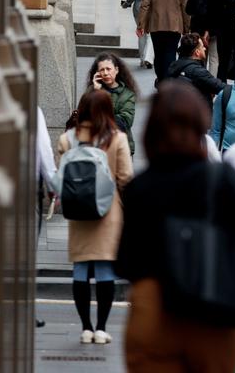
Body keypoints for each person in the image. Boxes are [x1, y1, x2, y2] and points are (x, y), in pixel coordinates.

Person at [116, 81, 235, 372]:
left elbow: (126, 263)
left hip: (154, 308)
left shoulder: (140, 188)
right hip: (215, 305)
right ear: (200, 125)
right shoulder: (223, 180)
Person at [58, 90, 134, 345]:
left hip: (78, 212)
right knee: (104, 268)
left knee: (80, 269)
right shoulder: (117, 139)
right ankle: (101, 328)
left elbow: (63, 176)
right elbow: (125, 179)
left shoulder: (68, 139)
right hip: (108, 212)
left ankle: (85, 327)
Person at [137, 0, 190, 83]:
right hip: (175, 25)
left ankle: (161, 78)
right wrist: (187, 27)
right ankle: (167, 80)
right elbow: (185, 7)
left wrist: (141, 25)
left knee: (158, 53)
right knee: (171, 53)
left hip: (156, 24)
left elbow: (144, 5)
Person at [86, 52, 138, 154]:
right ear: (97, 73)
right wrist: (96, 92)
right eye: (102, 70)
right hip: (95, 145)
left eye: (108, 69)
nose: (105, 73)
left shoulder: (127, 94)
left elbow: (125, 121)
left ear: (116, 70)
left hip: (120, 146)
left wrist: (102, 97)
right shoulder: (93, 90)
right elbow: (85, 115)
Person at [168, 32, 225, 109]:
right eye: (202, 47)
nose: (205, 48)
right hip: (198, 114)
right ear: (197, 52)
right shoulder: (198, 71)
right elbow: (220, 87)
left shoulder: (175, 65)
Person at [122, 0, 155, 69]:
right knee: (151, 34)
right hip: (152, 6)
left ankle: (142, 59)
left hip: (139, 7)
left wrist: (126, 4)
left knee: (141, 33)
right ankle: (148, 58)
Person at [186, 0, 219, 76]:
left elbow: (188, 10)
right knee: (214, 59)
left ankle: (201, 81)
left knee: (199, 58)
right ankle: (212, 84)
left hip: (197, 29)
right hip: (215, 28)